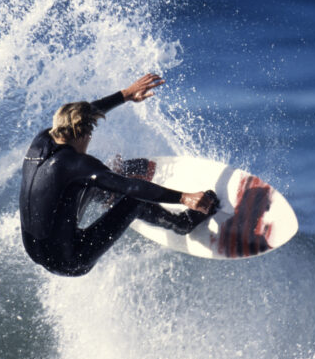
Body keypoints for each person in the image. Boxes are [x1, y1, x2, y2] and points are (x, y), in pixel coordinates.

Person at [19, 73, 219, 276]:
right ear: (85, 134)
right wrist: (183, 197)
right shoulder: (78, 165)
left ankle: (108, 192)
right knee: (134, 200)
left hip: (35, 250)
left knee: (89, 179)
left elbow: (84, 115)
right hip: (71, 260)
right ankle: (182, 224)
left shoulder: (42, 140)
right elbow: (132, 187)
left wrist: (126, 94)